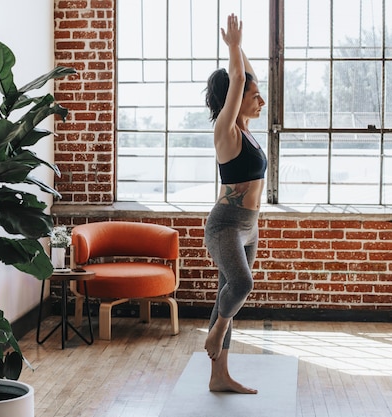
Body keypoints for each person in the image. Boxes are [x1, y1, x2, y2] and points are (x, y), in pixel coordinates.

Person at [203, 13, 267, 395]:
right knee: (241, 284)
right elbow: (239, 79)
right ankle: (217, 334)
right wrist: (234, 46)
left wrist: (241, 55)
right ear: (235, 100)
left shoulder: (248, 133)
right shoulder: (226, 131)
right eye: (255, 96)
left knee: (227, 292)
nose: (261, 100)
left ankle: (218, 376)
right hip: (225, 224)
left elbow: (246, 77)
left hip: (249, 226)